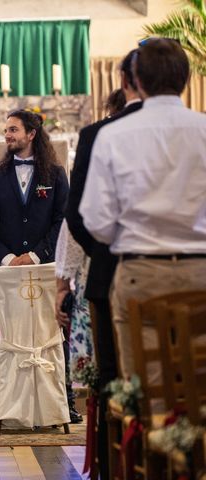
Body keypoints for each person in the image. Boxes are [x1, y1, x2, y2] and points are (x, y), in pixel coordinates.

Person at [80, 38, 206, 380]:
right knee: (199, 386)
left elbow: (96, 220)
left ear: (134, 79)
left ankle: (152, 430)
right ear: (185, 77)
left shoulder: (113, 135)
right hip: (200, 274)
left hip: (141, 272)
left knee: (149, 390)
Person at [64, 49, 141, 479]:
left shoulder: (100, 135)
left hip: (120, 275)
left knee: (118, 379)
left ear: (128, 82)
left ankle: (116, 466)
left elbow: (81, 216)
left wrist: (109, 253)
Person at [0, 109, 78, 422]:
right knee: (14, 338)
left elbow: (63, 220)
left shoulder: (56, 175)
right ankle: (10, 406)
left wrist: (34, 255)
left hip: (45, 268)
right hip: (8, 274)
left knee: (51, 336)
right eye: (6, 131)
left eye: (13, 130)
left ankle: (63, 403)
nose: (7, 135)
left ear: (31, 134)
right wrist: (8, 258)